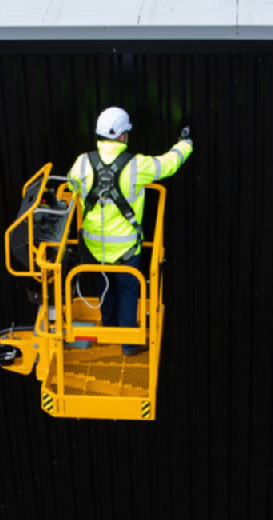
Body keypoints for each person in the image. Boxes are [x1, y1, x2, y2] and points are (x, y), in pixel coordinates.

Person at [67, 107, 193, 355]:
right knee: (127, 289)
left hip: (95, 248)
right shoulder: (136, 166)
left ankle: (109, 327)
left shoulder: (82, 162)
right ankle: (128, 343)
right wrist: (185, 143)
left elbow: (72, 185)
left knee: (106, 285)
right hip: (126, 249)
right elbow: (168, 164)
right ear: (123, 136)